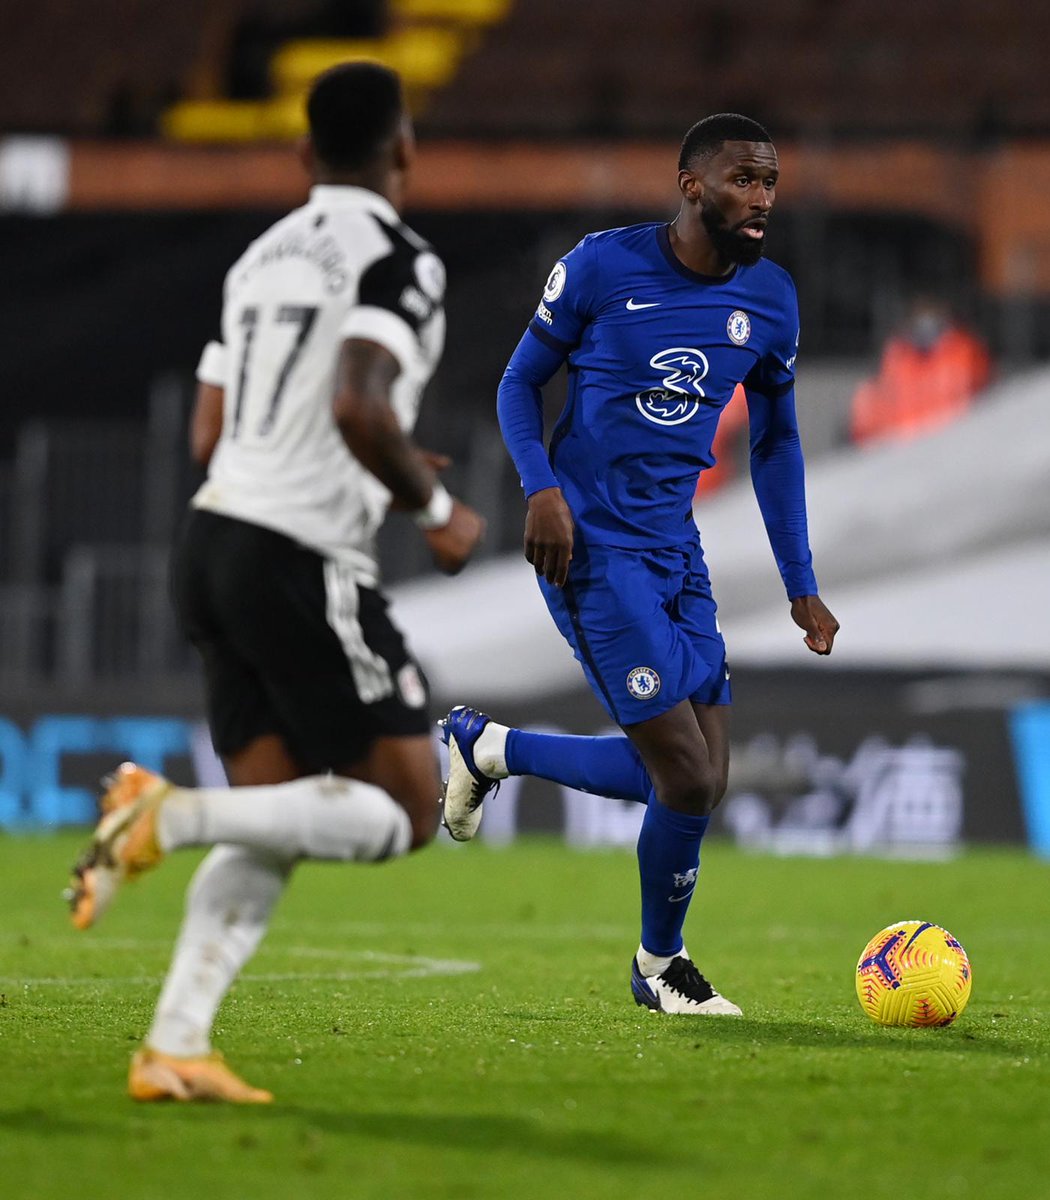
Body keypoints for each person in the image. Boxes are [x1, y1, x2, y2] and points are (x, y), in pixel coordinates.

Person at [65, 62, 484, 1102]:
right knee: (405, 808)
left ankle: (175, 1044)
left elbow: (211, 433)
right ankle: (167, 815)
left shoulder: (258, 259)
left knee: (288, 812)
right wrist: (435, 507)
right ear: (405, 150)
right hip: (299, 556)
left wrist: (366, 461)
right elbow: (358, 404)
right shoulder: (399, 259)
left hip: (210, 543)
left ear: (304, 154)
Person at [440, 113, 839, 1016]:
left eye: (770, 183)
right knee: (686, 778)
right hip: (588, 546)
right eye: (744, 179)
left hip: (675, 549)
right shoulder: (601, 267)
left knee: (702, 781)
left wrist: (801, 583)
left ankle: (489, 748)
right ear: (692, 185)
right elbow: (518, 382)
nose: (762, 199)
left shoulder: (770, 299)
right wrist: (541, 489)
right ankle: (660, 967)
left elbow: (777, 443)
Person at [849, 295, 991, 445]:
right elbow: (873, 410)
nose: (925, 323)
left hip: (951, 444)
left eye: (931, 315)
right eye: (919, 315)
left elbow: (986, 401)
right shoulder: (896, 356)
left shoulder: (965, 351)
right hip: (901, 447)